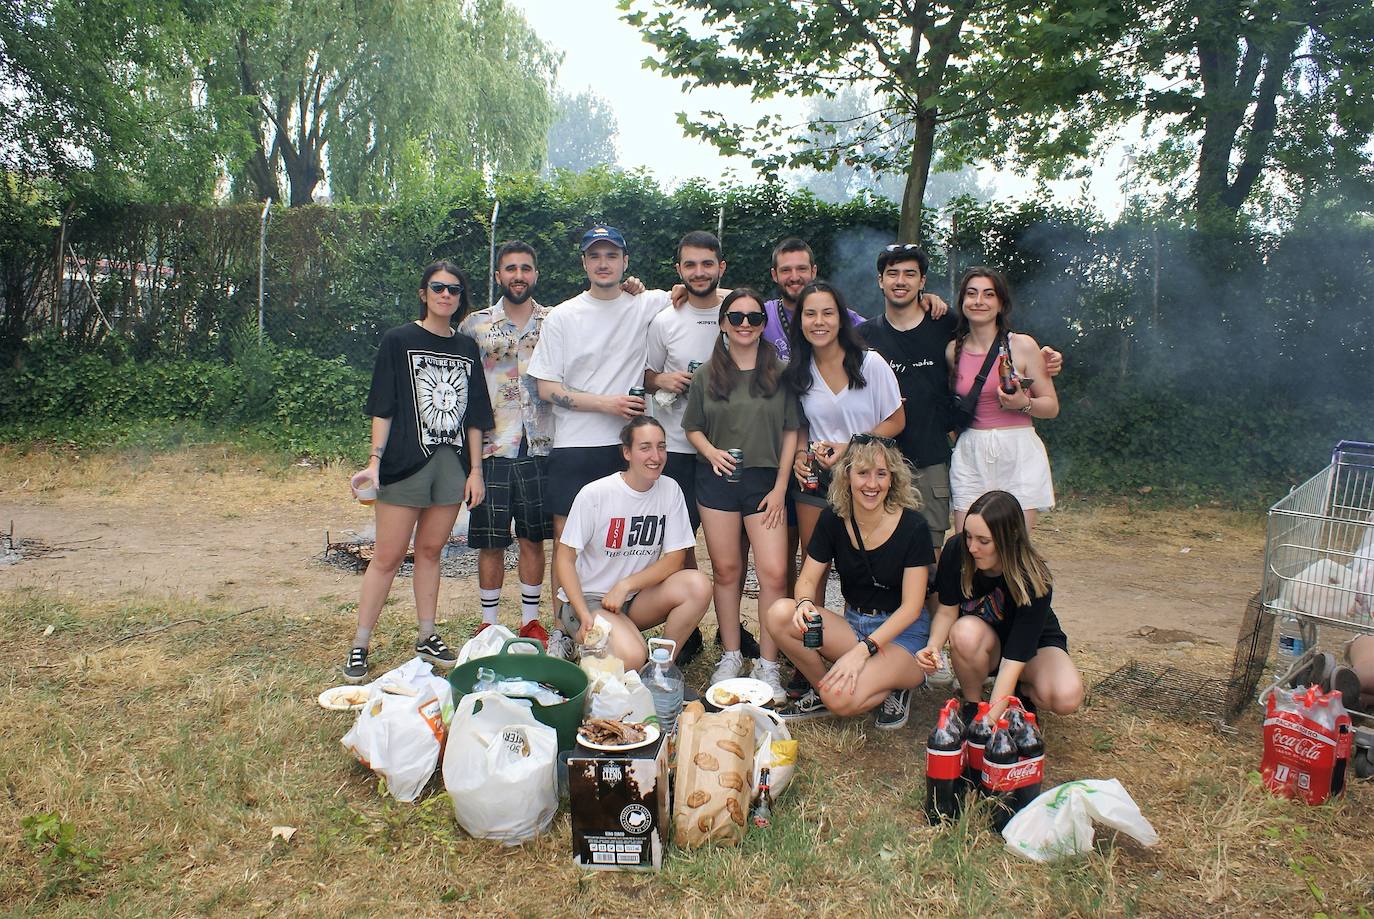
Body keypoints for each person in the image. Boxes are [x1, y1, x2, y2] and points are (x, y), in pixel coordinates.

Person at [342, 261, 494, 683]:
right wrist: (374, 461)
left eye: (454, 289)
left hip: (451, 466)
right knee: (388, 557)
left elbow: (477, 415)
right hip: (406, 463)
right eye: (438, 287)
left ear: (461, 298)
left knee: (431, 552)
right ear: (424, 293)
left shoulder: (466, 348)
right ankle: (360, 642)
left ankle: (427, 634)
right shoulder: (398, 340)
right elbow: (383, 405)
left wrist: (476, 470)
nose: (446, 295)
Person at [763, 436, 934, 728]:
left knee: (842, 699)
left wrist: (861, 651)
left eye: (881, 474)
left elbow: (912, 608)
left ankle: (897, 685)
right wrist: (804, 603)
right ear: (847, 476)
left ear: (893, 478)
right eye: (863, 473)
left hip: (902, 635)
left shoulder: (913, 526)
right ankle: (824, 689)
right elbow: (806, 580)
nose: (872, 484)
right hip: (855, 624)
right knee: (780, 614)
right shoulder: (834, 518)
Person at [682, 287, 801, 700]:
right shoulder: (707, 373)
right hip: (716, 481)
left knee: (773, 573)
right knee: (727, 570)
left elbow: (791, 431)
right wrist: (710, 451)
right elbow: (692, 426)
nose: (746, 324)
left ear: (764, 325)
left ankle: (769, 665)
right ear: (723, 324)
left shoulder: (781, 372)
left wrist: (783, 484)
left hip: (766, 481)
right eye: (737, 317)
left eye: (754, 317)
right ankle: (731, 653)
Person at [527, 225, 672, 547]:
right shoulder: (562, 316)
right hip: (574, 446)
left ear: (625, 261)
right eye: (595, 256)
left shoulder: (646, 303)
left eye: (611, 255)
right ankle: (567, 602)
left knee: (623, 543)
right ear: (584, 263)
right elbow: (546, 389)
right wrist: (607, 404)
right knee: (569, 543)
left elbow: (701, 291)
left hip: (627, 447)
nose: (603, 263)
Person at [458, 241, 566, 654]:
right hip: (491, 447)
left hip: (542, 446)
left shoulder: (556, 321)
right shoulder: (475, 325)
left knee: (532, 538)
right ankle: (487, 625)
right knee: (490, 539)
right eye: (510, 268)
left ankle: (530, 621)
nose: (518, 275)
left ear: (535, 274)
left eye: (525, 268)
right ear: (499, 275)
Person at [554, 416, 712, 670]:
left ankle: (660, 669)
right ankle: (588, 643)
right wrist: (583, 613)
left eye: (661, 447)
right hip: (589, 600)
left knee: (698, 585)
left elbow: (675, 559)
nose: (656, 456)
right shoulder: (596, 494)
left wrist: (626, 585)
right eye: (645, 447)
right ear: (627, 452)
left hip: (634, 598)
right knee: (633, 657)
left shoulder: (670, 490)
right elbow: (565, 557)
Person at [918, 489, 1083, 724]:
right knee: (964, 631)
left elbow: (1014, 659)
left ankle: (1020, 692)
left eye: (984, 541)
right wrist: (933, 646)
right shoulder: (957, 550)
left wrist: (990, 722)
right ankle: (974, 704)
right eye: (968, 536)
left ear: (1009, 539)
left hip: (1033, 649)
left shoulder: (1034, 578)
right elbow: (946, 611)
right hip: (984, 643)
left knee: (1065, 697)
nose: (972, 547)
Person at [945, 267, 1058, 532]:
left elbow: (1051, 406)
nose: (979, 301)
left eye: (988, 294)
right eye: (971, 294)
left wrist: (1024, 404)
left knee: (1014, 545)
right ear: (962, 302)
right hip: (970, 450)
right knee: (968, 542)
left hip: (1018, 450)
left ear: (1001, 303)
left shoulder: (1023, 346)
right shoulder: (952, 351)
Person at [762, 238, 866, 362]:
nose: (794, 277)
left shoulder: (842, 318)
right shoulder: (761, 316)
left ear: (813, 271)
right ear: (774, 275)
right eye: (786, 270)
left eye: (802, 269)